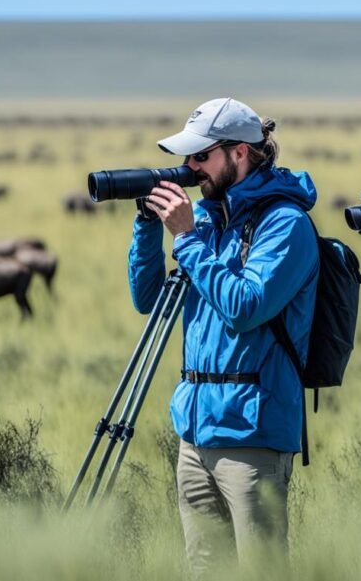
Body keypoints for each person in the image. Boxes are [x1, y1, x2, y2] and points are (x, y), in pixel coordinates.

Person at [127, 97, 318, 575]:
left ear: (240, 153)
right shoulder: (210, 218)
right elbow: (149, 299)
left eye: (200, 157)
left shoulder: (285, 224)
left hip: (253, 433)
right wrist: (149, 228)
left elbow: (245, 308)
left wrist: (188, 239)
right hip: (194, 433)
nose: (188, 169)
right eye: (186, 158)